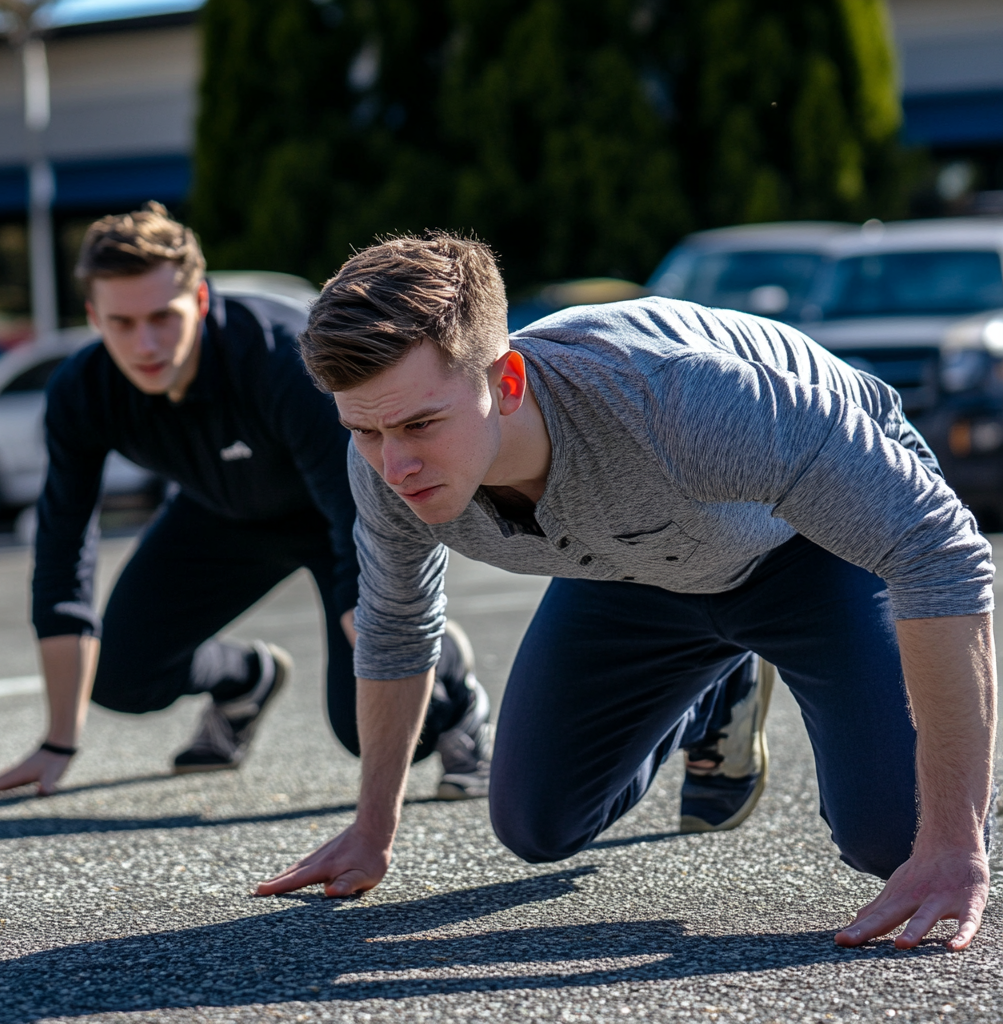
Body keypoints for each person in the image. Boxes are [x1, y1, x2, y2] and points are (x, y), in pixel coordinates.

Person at [256, 232, 996, 953]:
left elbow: (940, 552)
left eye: (422, 424)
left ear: (506, 383)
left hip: (806, 549)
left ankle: (909, 796)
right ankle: (719, 692)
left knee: (902, 844)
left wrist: (955, 843)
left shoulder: (680, 399)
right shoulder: (386, 462)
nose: (396, 464)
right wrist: (370, 830)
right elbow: (395, 626)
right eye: (365, 431)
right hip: (636, 568)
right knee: (535, 826)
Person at [0, 208, 491, 801]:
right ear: (93, 317)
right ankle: (247, 678)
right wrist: (57, 743)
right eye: (121, 323)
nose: (144, 344)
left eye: (161, 318)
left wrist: (396, 636)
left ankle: (453, 685)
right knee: (117, 675)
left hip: (339, 514)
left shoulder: (281, 360)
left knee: (372, 728)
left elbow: (358, 515)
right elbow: (63, 551)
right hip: (220, 515)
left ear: (198, 299)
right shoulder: (82, 391)